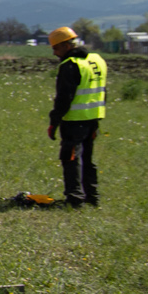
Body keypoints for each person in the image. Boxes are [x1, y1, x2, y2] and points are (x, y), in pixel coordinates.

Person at [45, 25, 106, 206]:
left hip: (74, 121)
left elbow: (64, 99)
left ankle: (74, 199)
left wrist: (53, 122)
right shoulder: (97, 60)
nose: (55, 53)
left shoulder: (70, 65)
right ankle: (92, 197)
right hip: (93, 119)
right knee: (87, 159)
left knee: (70, 159)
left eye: (56, 48)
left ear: (66, 45)